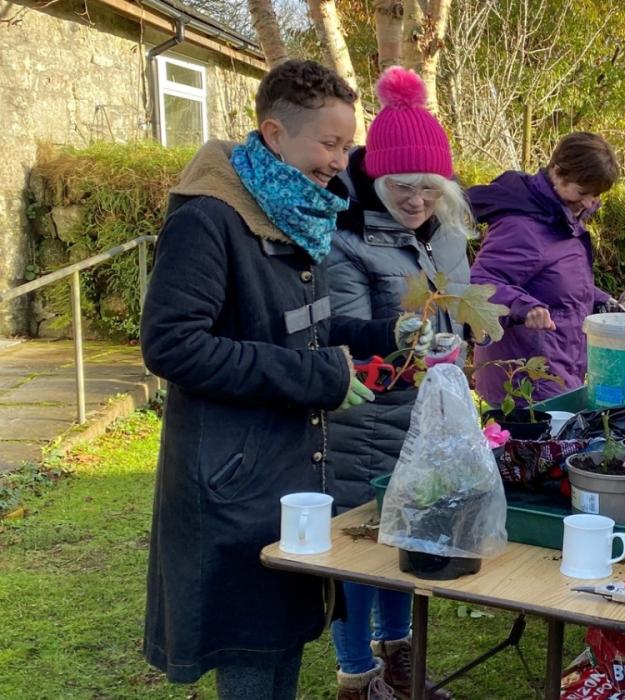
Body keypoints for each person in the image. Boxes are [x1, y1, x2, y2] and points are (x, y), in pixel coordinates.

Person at [140, 59, 429, 698]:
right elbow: (172, 346)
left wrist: (389, 335)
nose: (341, 160)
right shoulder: (209, 219)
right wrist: (317, 376)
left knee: (285, 639)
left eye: (347, 144)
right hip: (231, 480)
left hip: (291, 474)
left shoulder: (298, 215)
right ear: (274, 135)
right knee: (251, 650)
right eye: (330, 143)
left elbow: (311, 331)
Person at [324, 66, 467, 700]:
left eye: (431, 191)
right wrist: (411, 331)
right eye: (404, 188)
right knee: (359, 546)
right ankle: (357, 675)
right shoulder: (346, 239)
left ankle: (399, 652)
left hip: (424, 413)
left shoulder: (441, 238)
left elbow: (463, 312)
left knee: (411, 532)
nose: (417, 203)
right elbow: (341, 328)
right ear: (377, 178)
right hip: (366, 414)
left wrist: (464, 334)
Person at [469, 131, 623, 406]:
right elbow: (478, 283)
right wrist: (522, 306)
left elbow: (558, 282)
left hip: (560, 371)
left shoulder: (564, 220)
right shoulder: (522, 226)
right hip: (525, 385)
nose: (589, 203)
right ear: (557, 172)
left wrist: (602, 301)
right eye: (583, 193)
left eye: (596, 195)